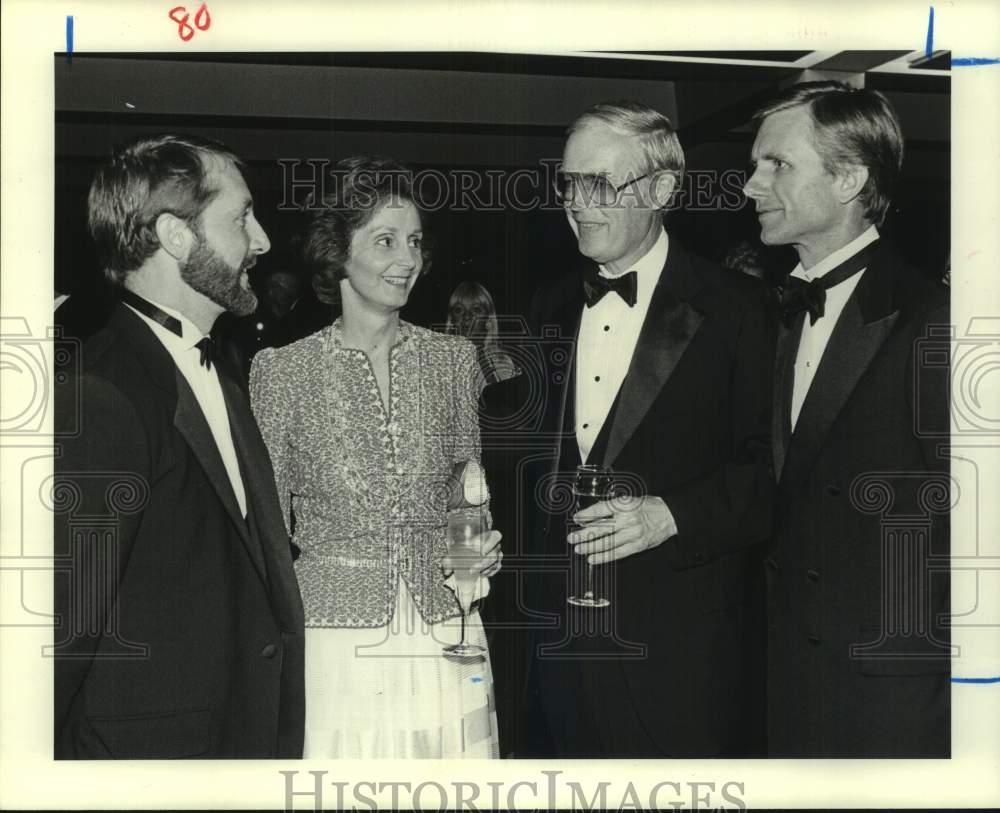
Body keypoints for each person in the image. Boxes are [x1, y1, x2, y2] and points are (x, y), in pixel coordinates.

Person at [524, 100, 774, 757]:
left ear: (663, 189)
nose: (578, 202)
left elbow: (773, 469)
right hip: (561, 657)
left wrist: (672, 513)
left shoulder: (741, 310)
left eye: (600, 183)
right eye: (570, 183)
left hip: (681, 661)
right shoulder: (548, 306)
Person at [52, 134, 305, 758]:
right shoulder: (99, 392)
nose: (263, 241)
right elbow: (61, 632)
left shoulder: (221, 370)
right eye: (243, 216)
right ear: (175, 235)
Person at [249, 155, 503, 759]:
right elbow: (265, 534)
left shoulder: (453, 363)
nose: (408, 259)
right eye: (386, 240)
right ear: (337, 252)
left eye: (414, 242)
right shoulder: (282, 372)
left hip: (446, 628)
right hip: (333, 639)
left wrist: (472, 561)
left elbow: (465, 494)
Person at [744, 81, 951, 757]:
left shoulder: (934, 322)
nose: (751, 185)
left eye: (777, 164)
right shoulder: (776, 312)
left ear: (849, 178)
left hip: (888, 698)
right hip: (790, 685)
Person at [445, 281, 519, 384]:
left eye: (476, 310)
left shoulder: (503, 361)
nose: (467, 316)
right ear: (452, 320)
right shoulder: (442, 364)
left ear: (488, 319)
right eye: (459, 310)